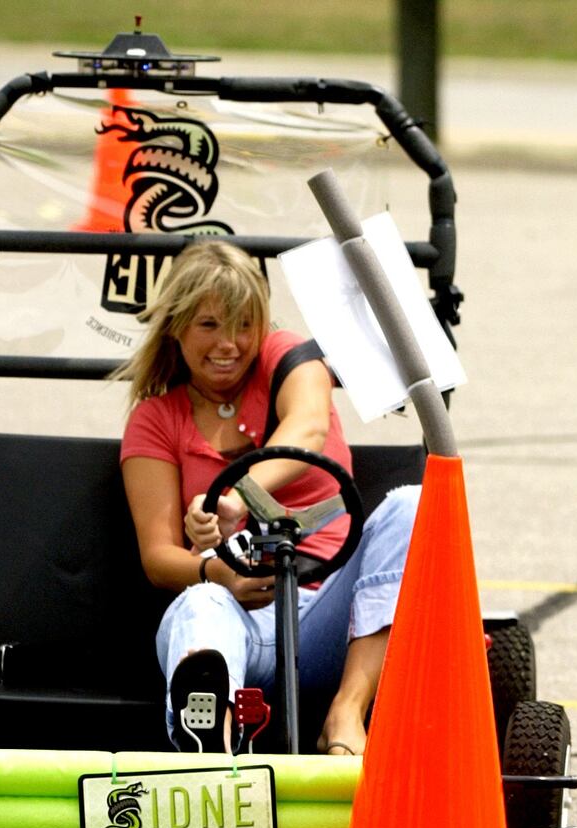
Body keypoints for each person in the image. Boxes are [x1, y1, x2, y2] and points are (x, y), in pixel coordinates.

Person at [118, 241, 419, 755]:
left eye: (243, 325)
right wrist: (221, 573)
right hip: (241, 615)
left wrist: (240, 496)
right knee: (200, 604)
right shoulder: (155, 420)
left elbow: (308, 427)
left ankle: (346, 714)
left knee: (411, 505)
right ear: (176, 327)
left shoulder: (287, 358)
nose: (229, 344)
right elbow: (158, 557)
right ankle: (212, 739)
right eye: (209, 325)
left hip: (335, 614)